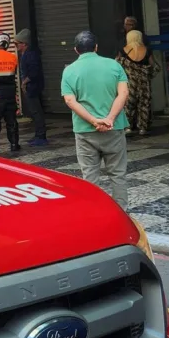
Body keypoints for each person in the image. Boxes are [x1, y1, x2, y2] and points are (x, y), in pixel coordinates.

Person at [61, 31, 130, 209]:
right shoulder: (114, 66)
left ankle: (94, 211)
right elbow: (123, 93)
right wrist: (109, 119)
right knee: (118, 174)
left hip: (85, 132)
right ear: (96, 47)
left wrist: (93, 120)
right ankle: (121, 212)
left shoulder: (69, 71)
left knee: (90, 175)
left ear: (76, 50)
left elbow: (70, 100)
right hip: (114, 129)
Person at [116, 29, 157, 135]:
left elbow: (116, 64)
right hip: (144, 82)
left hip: (129, 82)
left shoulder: (123, 50)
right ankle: (143, 128)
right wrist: (148, 75)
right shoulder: (147, 50)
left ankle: (128, 127)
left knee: (129, 104)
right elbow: (155, 66)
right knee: (144, 104)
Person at [15, 29, 48, 146]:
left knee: (36, 111)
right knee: (34, 111)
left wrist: (24, 82)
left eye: (17, 43)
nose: (16, 46)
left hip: (33, 87)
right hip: (31, 86)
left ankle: (41, 136)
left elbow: (34, 72)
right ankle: (38, 134)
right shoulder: (26, 54)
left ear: (24, 43)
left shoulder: (31, 54)